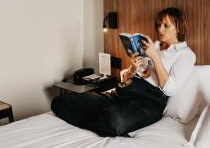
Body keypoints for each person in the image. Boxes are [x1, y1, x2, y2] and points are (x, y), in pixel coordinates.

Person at [51, 7, 196, 137]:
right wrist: (132, 68)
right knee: (60, 102)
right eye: (159, 25)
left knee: (113, 120)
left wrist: (155, 58)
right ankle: (103, 122)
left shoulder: (186, 54)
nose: (160, 30)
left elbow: (170, 89)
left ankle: (105, 120)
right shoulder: (153, 45)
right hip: (124, 91)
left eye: (166, 25)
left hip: (149, 102)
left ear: (178, 27)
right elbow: (130, 76)